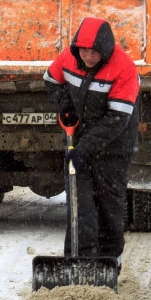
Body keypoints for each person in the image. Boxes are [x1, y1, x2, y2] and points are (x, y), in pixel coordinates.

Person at [43, 17, 139, 266]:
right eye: (83, 50)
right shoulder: (69, 57)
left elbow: (116, 119)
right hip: (79, 142)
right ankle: (79, 262)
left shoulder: (123, 68)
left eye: (94, 51)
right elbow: (51, 80)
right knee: (79, 204)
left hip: (114, 147)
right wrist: (65, 103)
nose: (87, 56)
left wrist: (84, 149)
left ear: (105, 50)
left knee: (109, 205)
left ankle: (107, 261)